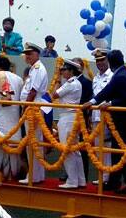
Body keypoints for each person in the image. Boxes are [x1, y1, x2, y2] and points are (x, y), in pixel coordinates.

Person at [82, 50, 126, 194]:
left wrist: (110, 102)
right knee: (116, 152)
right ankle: (115, 181)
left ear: (110, 62)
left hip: (124, 120)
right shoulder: (122, 73)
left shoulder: (120, 76)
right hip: (119, 119)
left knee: (122, 152)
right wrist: (93, 101)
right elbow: (107, 91)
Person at [50, 59, 86, 189]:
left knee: (67, 149)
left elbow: (54, 95)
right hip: (72, 116)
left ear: (71, 71)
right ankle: (80, 179)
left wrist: (58, 80)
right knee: (75, 150)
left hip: (68, 117)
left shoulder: (70, 83)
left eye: (64, 70)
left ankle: (72, 180)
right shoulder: (76, 83)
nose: (62, 72)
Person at [19, 42, 49, 184]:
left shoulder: (37, 69)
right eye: (26, 54)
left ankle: (34, 176)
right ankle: (37, 174)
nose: (27, 57)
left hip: (33, 107)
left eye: (30, 54)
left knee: (33, 142)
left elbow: (33, 91)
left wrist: (25, 108)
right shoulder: (33, 69)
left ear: (37, 54)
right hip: (32, 106)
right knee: (35, 142)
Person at [89, 48, 113, 185]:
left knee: (106, 147)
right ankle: (102, 174)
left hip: (107, 116)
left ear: (108, 60)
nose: (100, 63)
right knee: (98, 147)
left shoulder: (112, 76)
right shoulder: (96, 77)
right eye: (97, 60)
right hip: (96, 116)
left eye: (102, 60)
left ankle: (107, 176)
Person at [72, 57, 93, 180]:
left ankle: (83, 174)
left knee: (81, 147)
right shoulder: (71, 81)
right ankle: (71, 173)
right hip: (71, 117)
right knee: (70, 146)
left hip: (81, 118)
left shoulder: (86, 82)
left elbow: (86, 101)